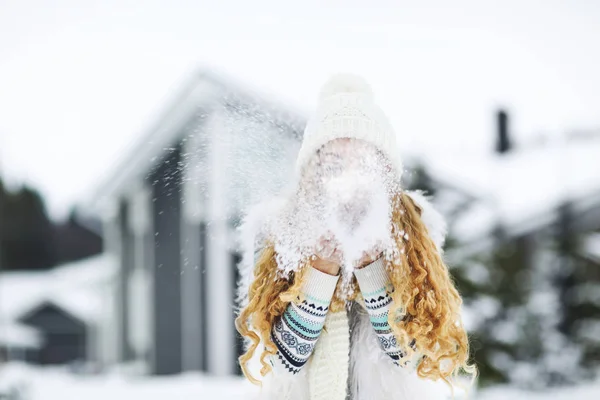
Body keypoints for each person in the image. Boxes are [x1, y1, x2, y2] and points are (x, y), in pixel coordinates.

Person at [236, 74, 476, 400]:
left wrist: (372, 267)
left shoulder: (413, 230)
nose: (347, 177)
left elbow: (414, 355)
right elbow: (279, 360)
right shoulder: (282, 229)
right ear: (311, 172)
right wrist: (321, 269)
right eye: (333, 163)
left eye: (361, 163)